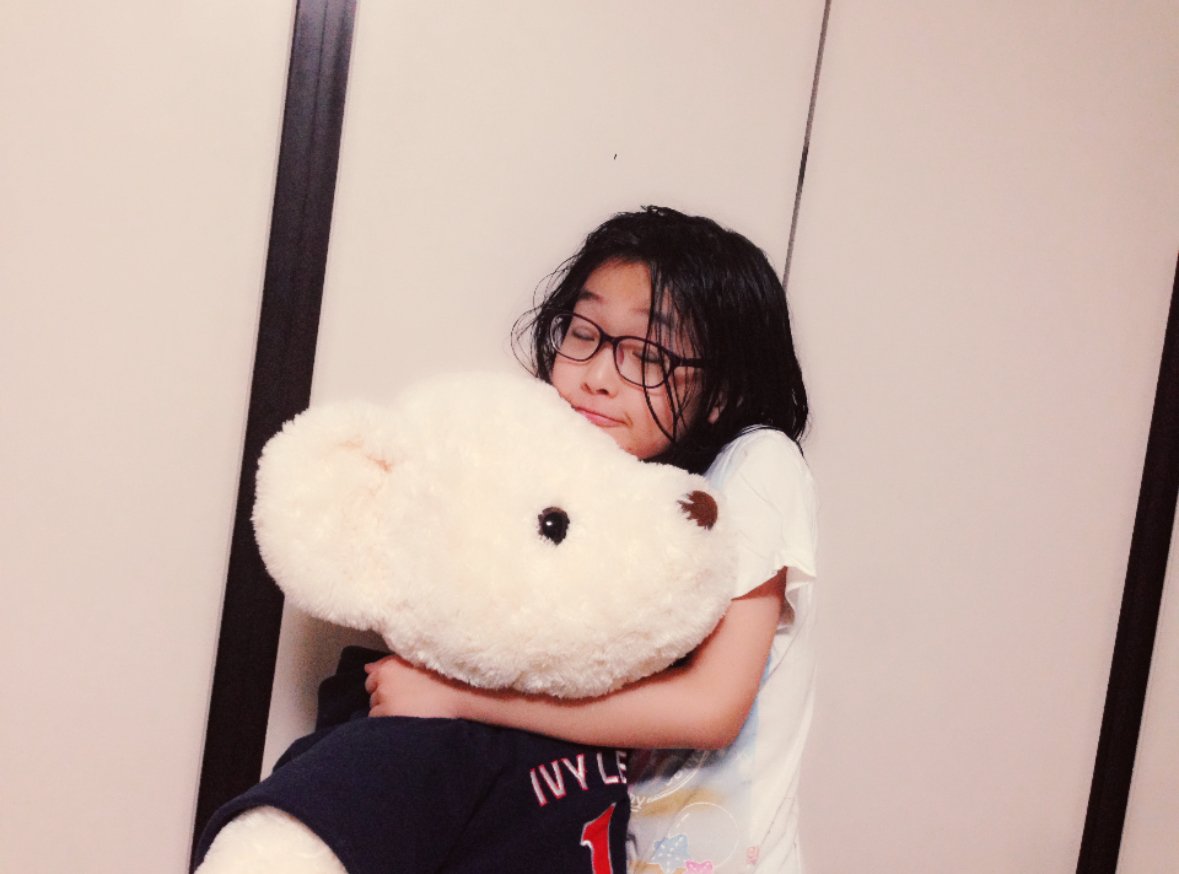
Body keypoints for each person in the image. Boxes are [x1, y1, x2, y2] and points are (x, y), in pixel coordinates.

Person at [365, 205, 818, 873]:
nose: (597, 375)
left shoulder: (756, 465)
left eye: (647, 355)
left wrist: (457, 700)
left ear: (720, 392)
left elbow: (711, 708)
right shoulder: (603, 496)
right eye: (584, 332)